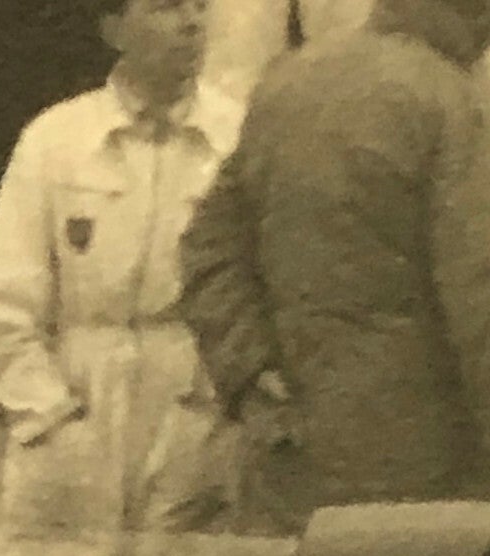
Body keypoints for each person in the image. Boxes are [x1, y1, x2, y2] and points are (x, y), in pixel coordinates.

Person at [180, 0, 490, 525]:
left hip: (288, 450)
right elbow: (478, 298)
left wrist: (250, 371)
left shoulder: (291, 82)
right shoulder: (454, 104)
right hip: (425, 469)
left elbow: (209, 248)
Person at [0, 0, 245, 537]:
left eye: (200, 7)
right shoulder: (56, 141)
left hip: (197, 413)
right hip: (76, 403)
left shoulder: (237, 139)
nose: (191, 24)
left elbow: (256, 299)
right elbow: (1, 312)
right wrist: (52, 423)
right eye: (167, 7)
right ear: (114, 28)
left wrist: (217, 410)